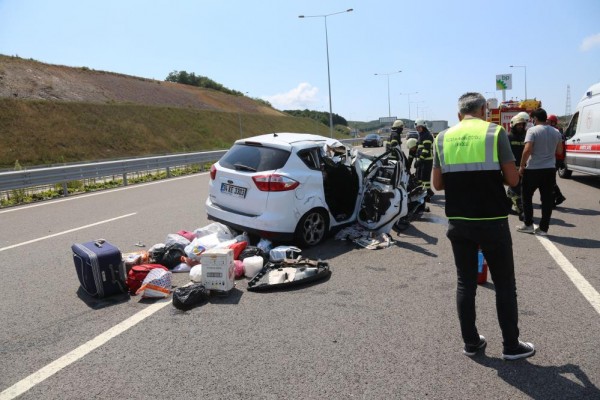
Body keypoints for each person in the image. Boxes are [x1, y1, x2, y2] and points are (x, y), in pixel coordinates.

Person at [432, 92, 535, 360]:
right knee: (504, 284)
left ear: (458, 115)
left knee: (465, 283)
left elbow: (438, 185)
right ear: (484, 110)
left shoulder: (441, 138)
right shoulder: (494, 132)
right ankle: (511, 346)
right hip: (491, 221)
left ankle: (471, 343)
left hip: (458, 221)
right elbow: (513, 180)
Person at [517, 108, 563, 235]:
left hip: (533, 169)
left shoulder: (532, 130)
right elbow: (559, 151)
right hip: (549, 170)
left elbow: (527, 150)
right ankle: (543, 228)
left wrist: (521, 166)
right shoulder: (556, 132)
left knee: (526, 197)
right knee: (547, 200)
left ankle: (528, 224)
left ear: (535, 119)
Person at [506, 113, 529, 218]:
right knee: (517, 189)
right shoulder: (508, 137)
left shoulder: (526, 137)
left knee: (514, 188)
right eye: (518, 124)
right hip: (511, 168)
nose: (520, 126)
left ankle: (506, 207)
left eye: (522, 125)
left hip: (522, 167)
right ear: (513, 125)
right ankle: (521, 212)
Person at [547, 114, 567, 207]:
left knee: (549, 180)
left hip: (556, 158)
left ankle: (555, 198)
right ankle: (558, 197)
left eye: (548, 121)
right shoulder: (557, 131)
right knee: (551, 179)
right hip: (558, 158)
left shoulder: (555, 132)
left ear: (552, 122)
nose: (546, 123)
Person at [414, 119, 435, 201]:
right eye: (417, 128)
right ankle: (427, 192)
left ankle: (427, 195)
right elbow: (420, 148)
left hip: (426, 160)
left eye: (419, 127)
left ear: (423, 126)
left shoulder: (427, 135)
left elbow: (426, 149)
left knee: (425, 178)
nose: (418, 129)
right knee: (420, 177)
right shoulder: (421, 135)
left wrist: (420, 160)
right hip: (422, 160)